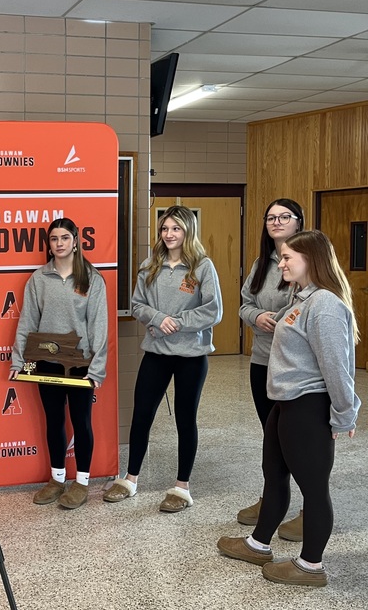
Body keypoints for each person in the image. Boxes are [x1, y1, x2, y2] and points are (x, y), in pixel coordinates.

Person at [218, 230, 359, 587]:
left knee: (313, 488)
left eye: (287, 258)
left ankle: (311, 566)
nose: (279, 264)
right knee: (274, 473)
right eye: (281, 257)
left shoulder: (325, 304)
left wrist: (345, 413)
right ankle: (258, 544)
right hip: (286, 406)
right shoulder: (301, 299)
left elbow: (337, 366)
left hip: (308, 408)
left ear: (310, 260)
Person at [104, 204, 222, 512]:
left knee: (185, 419)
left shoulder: (202, 266)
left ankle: (181, 488)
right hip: (156, 353)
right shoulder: (149, 265)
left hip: (191, 357)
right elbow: (137, 304)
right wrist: (158, 317)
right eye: (164, 229)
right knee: (142, 415)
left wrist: (178, 321)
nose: (169, 234)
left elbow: (213, 310)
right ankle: (130, 479)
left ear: (188, 231)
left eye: (175, 229)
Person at [9, 218, 108, 510]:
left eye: (65, 237)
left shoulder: (92, 279)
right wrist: (18, 360)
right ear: (49, 244)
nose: (60, 243)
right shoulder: (38, 279)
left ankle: (82, 483)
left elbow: (99, 326)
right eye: (54, 239)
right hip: (46, 363)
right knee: (54, 421)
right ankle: (57, 479)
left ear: (76, 241)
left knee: (81, 422)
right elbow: (27, 322)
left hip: (80, 365)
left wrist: (96, 368)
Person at [237, 198, 305, 538]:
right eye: (270, 217)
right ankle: (272, 499)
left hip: (292, 366)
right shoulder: (261, 264)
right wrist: (256, 316)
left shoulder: (305, 261)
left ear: (298, 223)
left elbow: (304, 308)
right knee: (270, 438)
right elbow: (244, 303)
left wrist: (275, 319)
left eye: (284, 217)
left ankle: (312, 509)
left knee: (296, 441)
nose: (276, 222)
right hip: (261, 360)